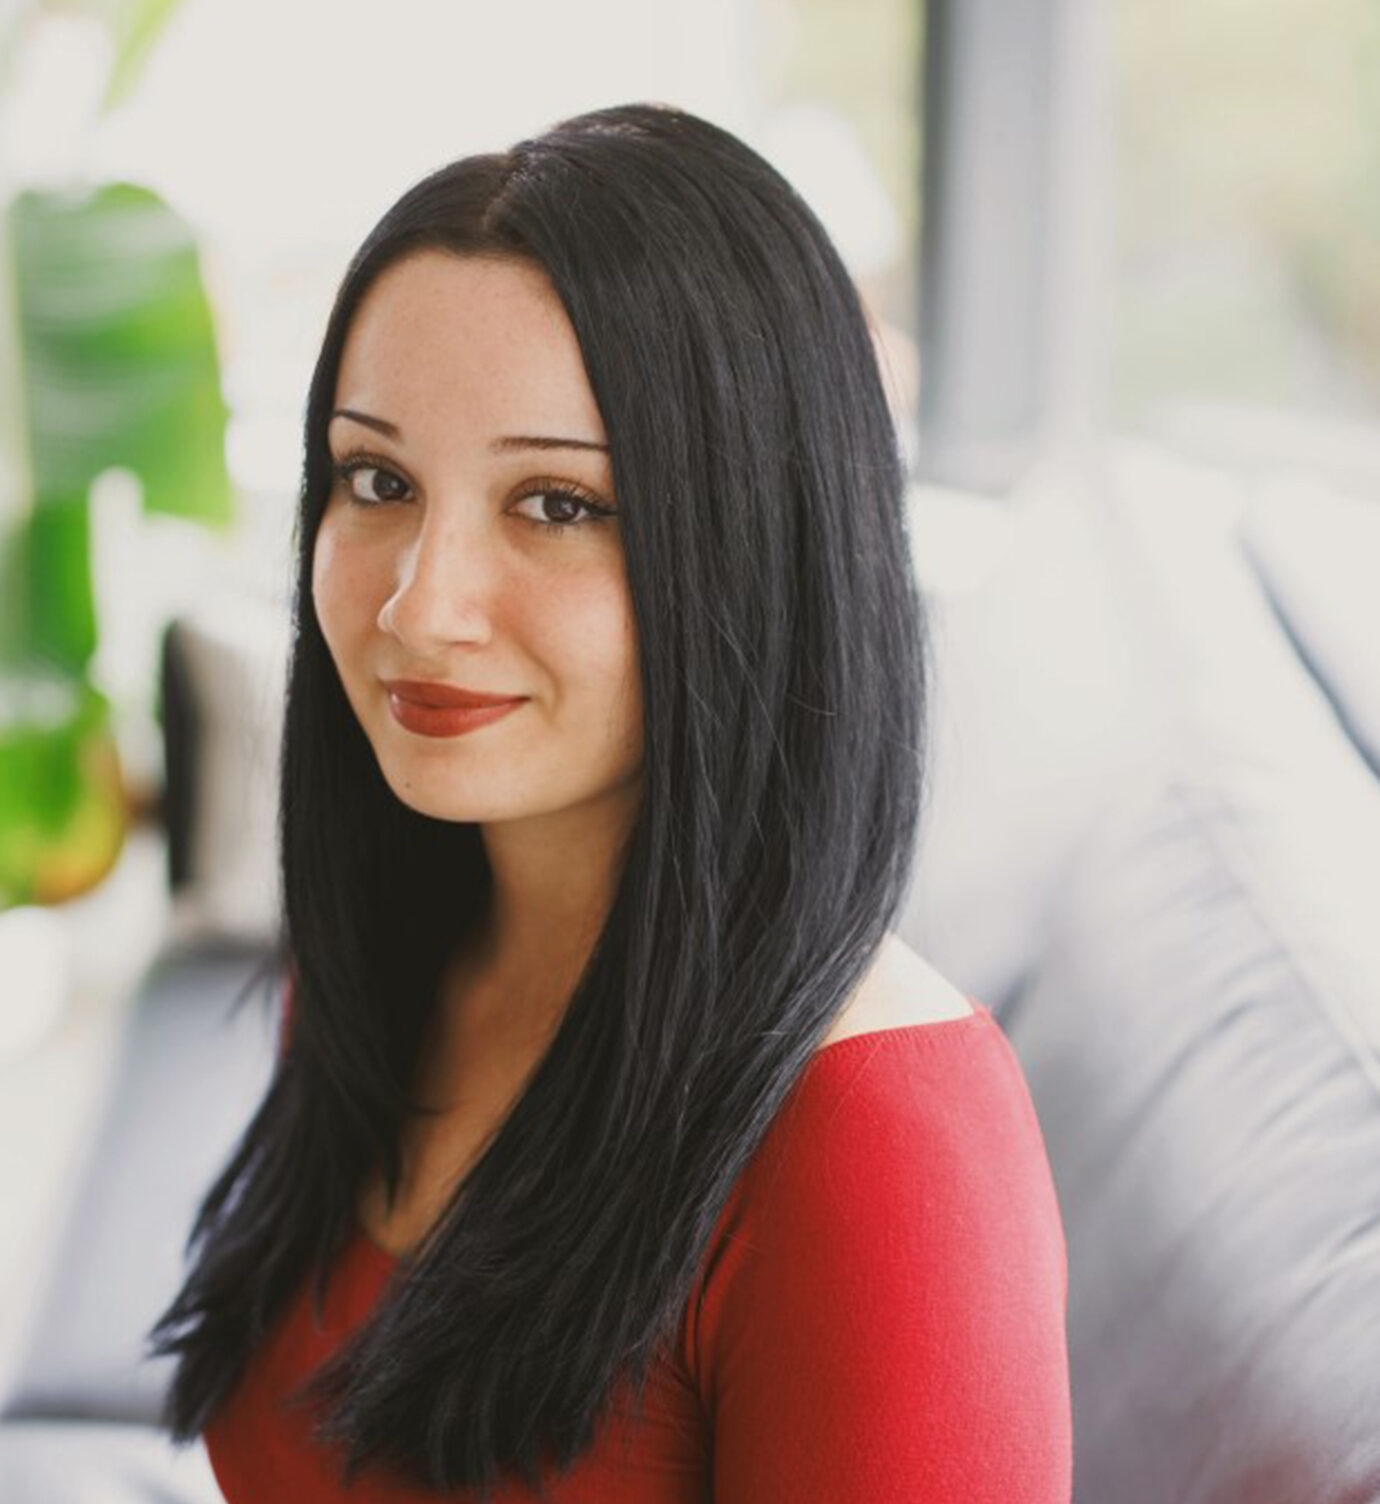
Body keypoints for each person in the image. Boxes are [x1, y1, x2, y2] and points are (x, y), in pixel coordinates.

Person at [148, 101, 1071, 1503]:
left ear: (754, 543)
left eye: (558, 505)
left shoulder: (878, 1143)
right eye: (377, 478)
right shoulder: (392, 950)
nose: (419, 603)